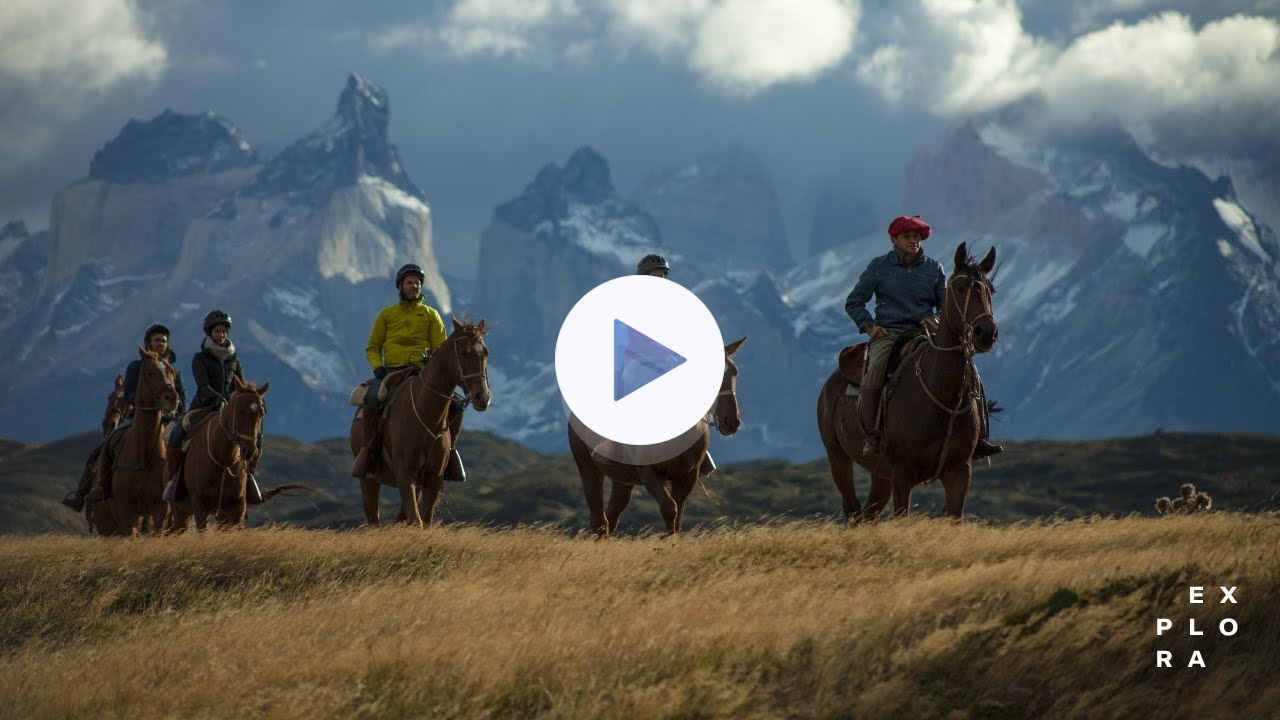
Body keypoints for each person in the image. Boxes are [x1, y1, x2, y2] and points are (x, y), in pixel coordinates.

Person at [844, 215, 1002, 458]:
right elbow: (854, 302)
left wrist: (937, 319)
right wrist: (869, 327)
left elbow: (947, 305)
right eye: (907, 237)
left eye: (916, 237)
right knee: (875, 366)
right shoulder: (878, 267)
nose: (913, 241)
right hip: (889, 333)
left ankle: (979, 437)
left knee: (968, 368)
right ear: (893, 239)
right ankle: (872, 434)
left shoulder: (933, 268)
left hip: (925, 332)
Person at [592, 254, 718, 476]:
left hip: (666, 359)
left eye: (663, 276)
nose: (660, 279)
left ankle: (699, 446)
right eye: (655, 275)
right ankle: (612, 443)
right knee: (626, 384)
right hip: (637, 358)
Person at [353, 263, 467, 481]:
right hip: (392, 371)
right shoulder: (387, 315)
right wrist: (378, 366)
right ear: (401, 287)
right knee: (371, 398)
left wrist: (432, 367)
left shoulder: (431, 315)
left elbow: (440, 349)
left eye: (417, 283)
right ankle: (368, 449)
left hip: (422, 372)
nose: (414, 286)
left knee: (456, 404)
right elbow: (373, 346)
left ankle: (449, 454)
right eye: (409, 282)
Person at [162, 310, 262, 503]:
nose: (221, 334)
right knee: (177, 433)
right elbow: (203, 385)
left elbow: (239, 384)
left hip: (230, 408)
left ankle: (248, 475)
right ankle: (173, 480)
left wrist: (237, 398)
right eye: (217, 331)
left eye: (224, 331)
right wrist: (218, 399)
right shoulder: (200, 358)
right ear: (210, 333)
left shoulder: (234, 359)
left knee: (254, 429)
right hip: (204, 406)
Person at [82, 323, 188, 502]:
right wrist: (145, 405)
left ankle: (185, 493)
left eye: (163, 341)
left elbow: (182, 397)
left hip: (168, 420)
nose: (160, 344)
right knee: (109, 443)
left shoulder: (173, 371)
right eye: (157, 340)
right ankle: (99, 486)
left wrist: (175, 413)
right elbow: (129, 393)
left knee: (186, 448)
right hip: (139, 418)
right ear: (148, 343)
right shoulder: (136, 367)